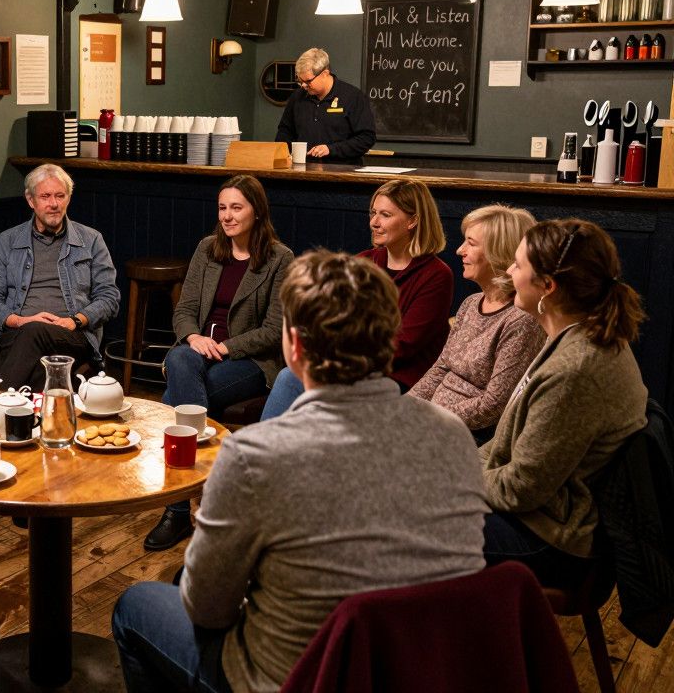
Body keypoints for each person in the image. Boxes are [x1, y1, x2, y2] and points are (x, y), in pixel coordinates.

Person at [112, 250, 486, 693]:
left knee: (136, 604)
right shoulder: (452, 435)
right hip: (421, 670)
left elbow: (207, 608)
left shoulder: (255, 454)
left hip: (293, 678)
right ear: (390, 339)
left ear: (296, 346)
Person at [481, 219, 647, 589]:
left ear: (548, 287)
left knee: (401, 528)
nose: (508, 270)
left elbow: (521, 487)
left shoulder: (575, 369)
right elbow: (505, 446)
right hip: (538, 515)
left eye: (518, 265)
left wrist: (450, 479)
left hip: (554, 542)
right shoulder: (570, 333)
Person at [145, 175, 294, 552]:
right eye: (222, 208)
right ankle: (200, 497)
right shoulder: (208, 248)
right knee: (181, 356)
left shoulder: (280, 258)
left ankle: (177, 509)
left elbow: (275, 330)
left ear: (257, 212)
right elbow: (186, 310)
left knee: (173, 399)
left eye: (236, 208)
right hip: (196, 353)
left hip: (248, 360)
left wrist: (225, 347)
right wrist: (195, 338)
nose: (227, 216)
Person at [261, 178, 453, 419]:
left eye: (385, 215)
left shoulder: (436, 274)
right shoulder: (364, 261)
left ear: (413, 220)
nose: (374, 222)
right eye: (373, 213)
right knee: (291, 376)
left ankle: (267, 450)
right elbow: (334, 319)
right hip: (351, 364)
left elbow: (402, 345)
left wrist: (338, 357)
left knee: (293, 379)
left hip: (398, 379)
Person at [0, 163, 120, 391]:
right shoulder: (8, 241)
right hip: (15, 335)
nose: (54, 204)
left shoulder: (91, 240)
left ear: (68, 199)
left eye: (60, 196)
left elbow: (109, 298)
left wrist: (74, 321)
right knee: (37, 367)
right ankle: (51, 411)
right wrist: (21, 321)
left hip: (72, 336)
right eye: (45, 196)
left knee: (34, 332)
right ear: (31, 200)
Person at [409, 205, 545, 444]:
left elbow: (494, 406)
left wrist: (427, 418)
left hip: (468, 436)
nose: (460, 250)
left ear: (499, 253)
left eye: (471, 243)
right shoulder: (471, 303)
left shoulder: (520, 319)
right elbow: (441, 368)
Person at [274, 47, 376, 165]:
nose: (303, 85)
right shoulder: (297, 98)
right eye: (300, 80)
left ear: (325, 74)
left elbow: (366, 138)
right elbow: (284, 131)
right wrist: (287, 153)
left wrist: (331, 149)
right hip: (302, 172)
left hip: (342, 173)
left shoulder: (353, 97)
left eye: (308, 81)